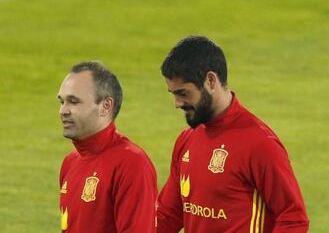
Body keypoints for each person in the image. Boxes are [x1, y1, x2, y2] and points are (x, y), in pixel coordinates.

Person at [156, 36, 309, 232]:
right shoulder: (187, 140)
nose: (177, 103)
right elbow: (168, 214)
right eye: (173, 94)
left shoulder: (259, 144)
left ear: (210, 81)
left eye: (183, 93)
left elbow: (293, 219)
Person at [57, 61, 157, 233]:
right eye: (62, 102)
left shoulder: (131, 163)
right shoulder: (70, 163)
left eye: (73, 102)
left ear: (106, 106)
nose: (63, 111)